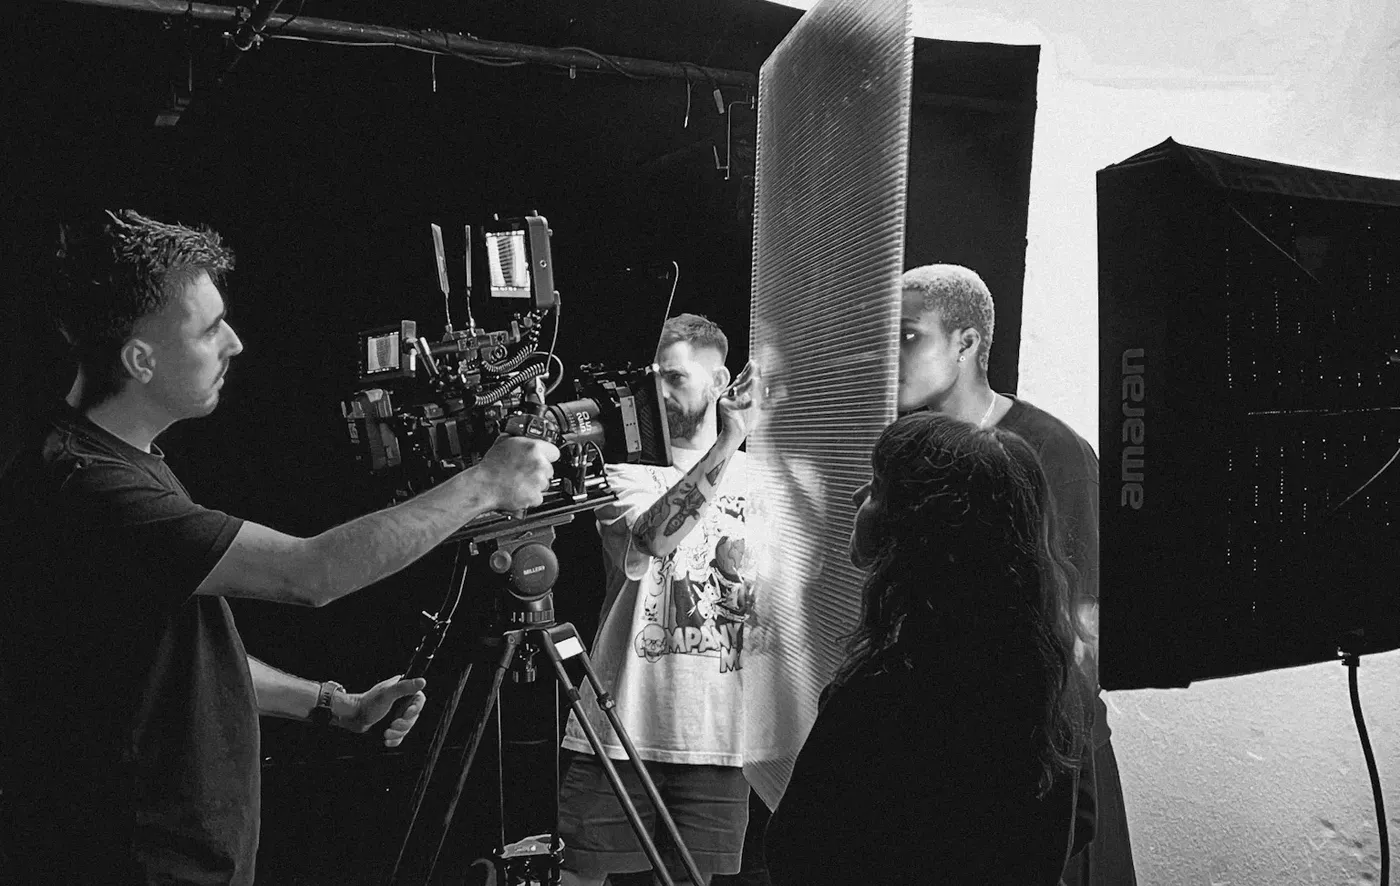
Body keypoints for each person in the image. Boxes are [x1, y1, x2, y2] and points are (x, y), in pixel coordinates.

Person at [0, 210, 560, 885]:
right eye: (209, 329)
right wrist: (487, 484)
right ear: (140, 360)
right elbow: (310, 573)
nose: (234, 342)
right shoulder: (88, 487)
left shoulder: (120, 459)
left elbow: (178, 662)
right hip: (141, 863)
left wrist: (334, 704)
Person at [765, 411, 1090, 884]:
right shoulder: (1055, 680)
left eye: (878, 487)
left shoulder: (885, 690)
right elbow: (1071, 833)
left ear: (919, 524)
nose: (857, 497)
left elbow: (797, 853)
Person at [891, 263, 1136, 884]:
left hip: (1039, 764)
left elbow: (1087, 630)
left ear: (967, 343)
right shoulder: (914, 454)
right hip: (944, 762)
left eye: (909, 336)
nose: (891, 355)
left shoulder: (1052, 452)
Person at [557, 313, 762, 886]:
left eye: (675, 378)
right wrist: (731, 437)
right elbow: (655, 536)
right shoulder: (621, 473)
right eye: (653, 378)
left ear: (720, 383)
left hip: (720, 740)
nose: (659, 393)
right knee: (578, 876)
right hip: (621, 726)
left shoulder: (766, 481)